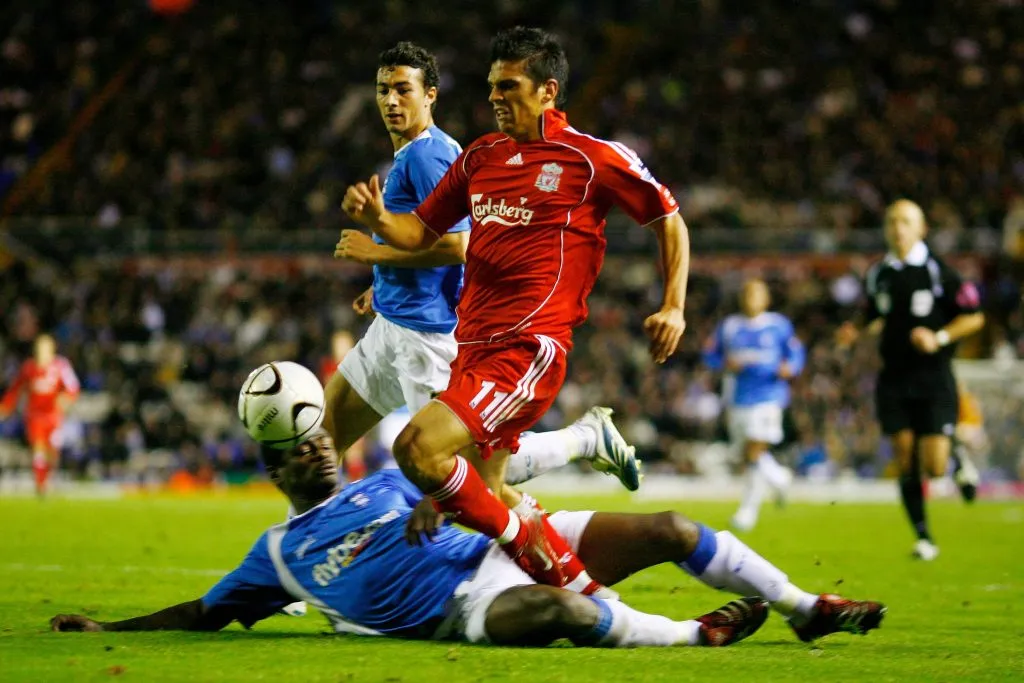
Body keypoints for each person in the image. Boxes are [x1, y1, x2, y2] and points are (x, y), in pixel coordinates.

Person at [341, 27, 688, 591]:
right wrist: (379, 221)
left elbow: (667, 218)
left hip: (527, 348)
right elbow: (419, 230)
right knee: (488, 497)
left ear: (548, 90)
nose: (496, 98)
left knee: (417, 448)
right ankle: (581, 591)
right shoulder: (482, 156)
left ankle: (586, 593)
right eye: (491, 87)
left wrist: (673, 305)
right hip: (471, 349)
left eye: (510, 86)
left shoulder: (590, 158)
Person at [50, 432, 886, 648]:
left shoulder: (388, 471)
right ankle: (694, 639)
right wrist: (110, 630)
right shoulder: (276, 553)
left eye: (315, 436)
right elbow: (206, 612)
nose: (310, 450)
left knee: (672, 527)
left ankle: (807, 606)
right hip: (463, 606)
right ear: (272, 468)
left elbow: (474, 477)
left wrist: (446, 503)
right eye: (292, 449)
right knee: (559, 610)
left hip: (508, 538)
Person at [329, 42, 639, 490]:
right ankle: (306, 550)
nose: (391, 100)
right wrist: (384, 281)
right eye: (383, 90)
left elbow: (459, 245)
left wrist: (375, 253)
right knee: (323, 437)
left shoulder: (430, 155)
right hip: (393, 324)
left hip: (428, 336)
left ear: (430, 95)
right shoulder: (413, 153)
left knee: (467, 466)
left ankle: (583, 440)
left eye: (403, 90)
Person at [838, 199, 985, 561]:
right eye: (891, 221)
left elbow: (974, 317)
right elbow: (872, 313)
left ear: (921, 229)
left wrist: (940, 338)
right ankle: (923, 536)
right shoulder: (878, 274)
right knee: (906, 461)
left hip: (933, 376)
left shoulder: (940, 272)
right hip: (894, 378)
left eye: (905, 221)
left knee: (934, 467)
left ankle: (957, 454)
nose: (897, 227)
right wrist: (853, 331)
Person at [703, 279, 805, 532]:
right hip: (738, 396)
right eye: (747, 292)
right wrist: (725, 363)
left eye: (757, 293)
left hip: (769, 395)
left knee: (754, 450)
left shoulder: (778, 325)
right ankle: (779, 478)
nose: (751, 297)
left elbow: (795, 353)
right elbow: (710, 355)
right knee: (747, 455)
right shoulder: (730, 327)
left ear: (766, 298)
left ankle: (747, 511)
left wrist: (790, 368)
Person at [0, 334, 80, 496]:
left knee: (53, 451)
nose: (42, 352)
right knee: (38, 448)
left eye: (45, 348)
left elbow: (73, 387)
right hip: (34, 415)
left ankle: (47, 479)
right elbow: (16, 389)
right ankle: (40, 484)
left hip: (54, 415)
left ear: (51, 349)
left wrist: (66, 398)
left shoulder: (61, 366)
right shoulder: (29, 367)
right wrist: (5, 407)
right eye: (39, 348)